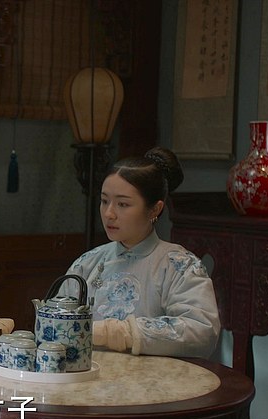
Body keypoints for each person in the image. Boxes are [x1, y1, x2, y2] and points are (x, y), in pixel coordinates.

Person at [57, 147, 220, 359]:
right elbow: (56, 324)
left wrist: (120, 333)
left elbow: (201, 331)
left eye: (123, 204)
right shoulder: (87, 263)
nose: (109, 213)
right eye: (104, 201)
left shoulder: (179, 265)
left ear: (155, 209)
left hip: (155, 379)